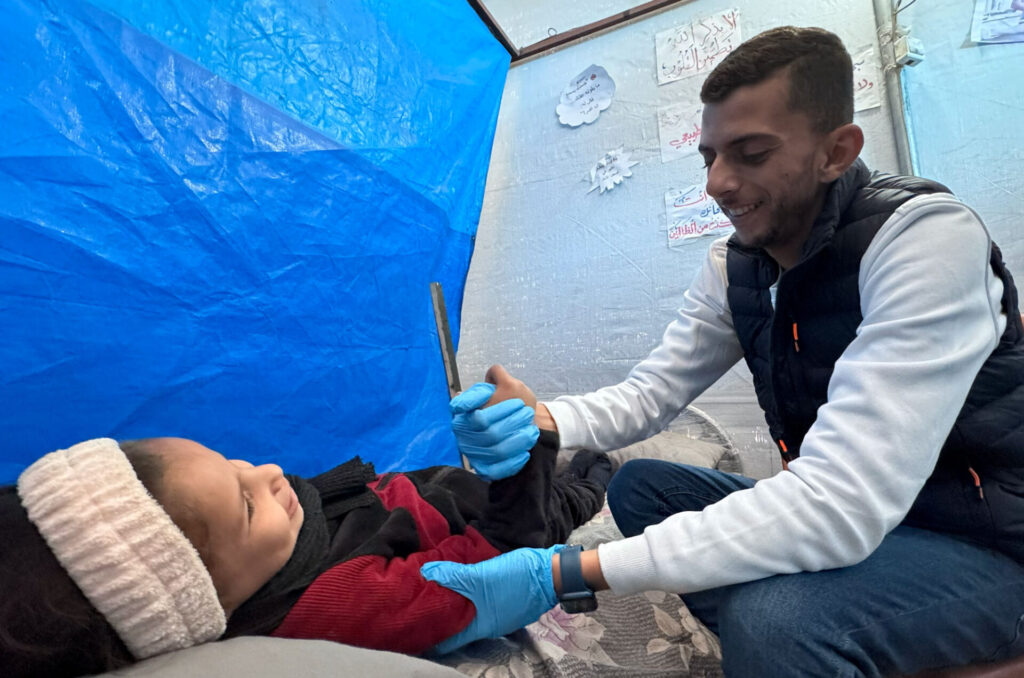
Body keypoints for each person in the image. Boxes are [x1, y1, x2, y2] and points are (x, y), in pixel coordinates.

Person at [420, 25, 1024, 676]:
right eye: (708, 157)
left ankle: (797, 638)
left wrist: (564, 572)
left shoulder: (922, 241)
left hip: (985, 541)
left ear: (836, 152)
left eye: (751, 153)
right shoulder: (738, 266)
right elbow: (651, 394)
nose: (717, 182)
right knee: (642, 488)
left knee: (774, 619)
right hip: (874, 524)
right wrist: (541, 420)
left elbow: (841, 501)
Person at [0, 368, 613, 678]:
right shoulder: (331, 609)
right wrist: (534, 449)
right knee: (578, 494)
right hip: (490, 514)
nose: (269, 471)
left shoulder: (258, 555)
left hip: (430, 491)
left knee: (567, 476)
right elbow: (502, 556)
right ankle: (596, 481)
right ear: (203, 598)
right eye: (246, 506)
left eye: (232, 462)